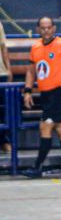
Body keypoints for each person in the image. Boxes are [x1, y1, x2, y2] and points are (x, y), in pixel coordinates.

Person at [22, 17, 61, 178]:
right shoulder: (35, 48)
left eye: (49, 27)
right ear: (38, 30)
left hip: (59, 91)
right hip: (45, 93)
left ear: (54, 28)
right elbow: (31, 71)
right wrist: (28, 90)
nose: (46, 30)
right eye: (43, 28)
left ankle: (37, 166)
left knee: (46, 126)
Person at [0, 21, 13, 153]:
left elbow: (3, 47)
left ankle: (4, 141)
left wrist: (8, 69)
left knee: (3, 111)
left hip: (0, 73)